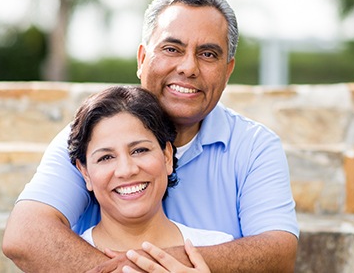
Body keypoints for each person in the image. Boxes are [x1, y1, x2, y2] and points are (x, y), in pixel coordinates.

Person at [3, 0, 299, 272]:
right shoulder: (90, 135)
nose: (188, 68)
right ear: (142, 59)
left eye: (208, 54)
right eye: (172, 48)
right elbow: (25, 234)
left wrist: (155, 263)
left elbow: (278, 252)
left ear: (228, 70)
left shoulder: (254, 146)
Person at [69, 86, 233, 271]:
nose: (126, 170)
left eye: (140, 150)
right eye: (106, 157)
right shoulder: (56, 263)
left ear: (167, 157)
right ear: (85, 173)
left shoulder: (217, 245)